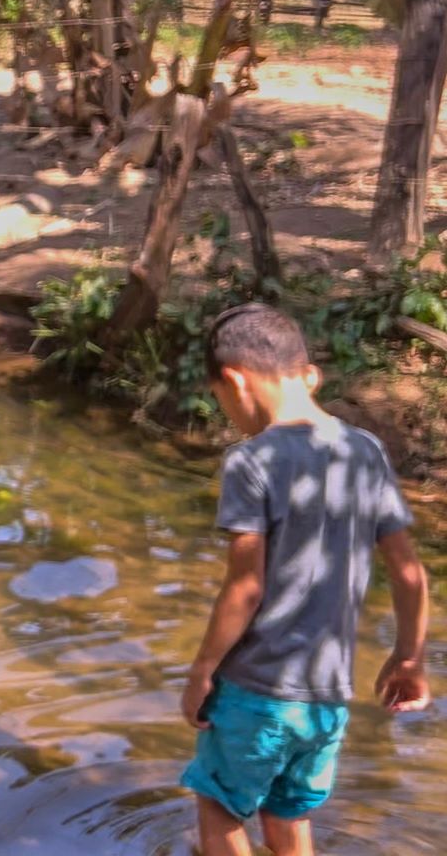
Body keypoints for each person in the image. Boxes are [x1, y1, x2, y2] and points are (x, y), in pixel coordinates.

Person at [180, 304, 430, 856]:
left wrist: (201, 671)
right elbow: (409, 573)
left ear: (235, 380)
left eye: (223, 402)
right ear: (307, 372)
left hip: (258, 690)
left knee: (218, 805)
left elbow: (246, 586)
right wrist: (409, 657)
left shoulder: (252, 461)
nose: (230, 414)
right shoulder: (365, 451)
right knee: (287, 813)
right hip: (326, 700)